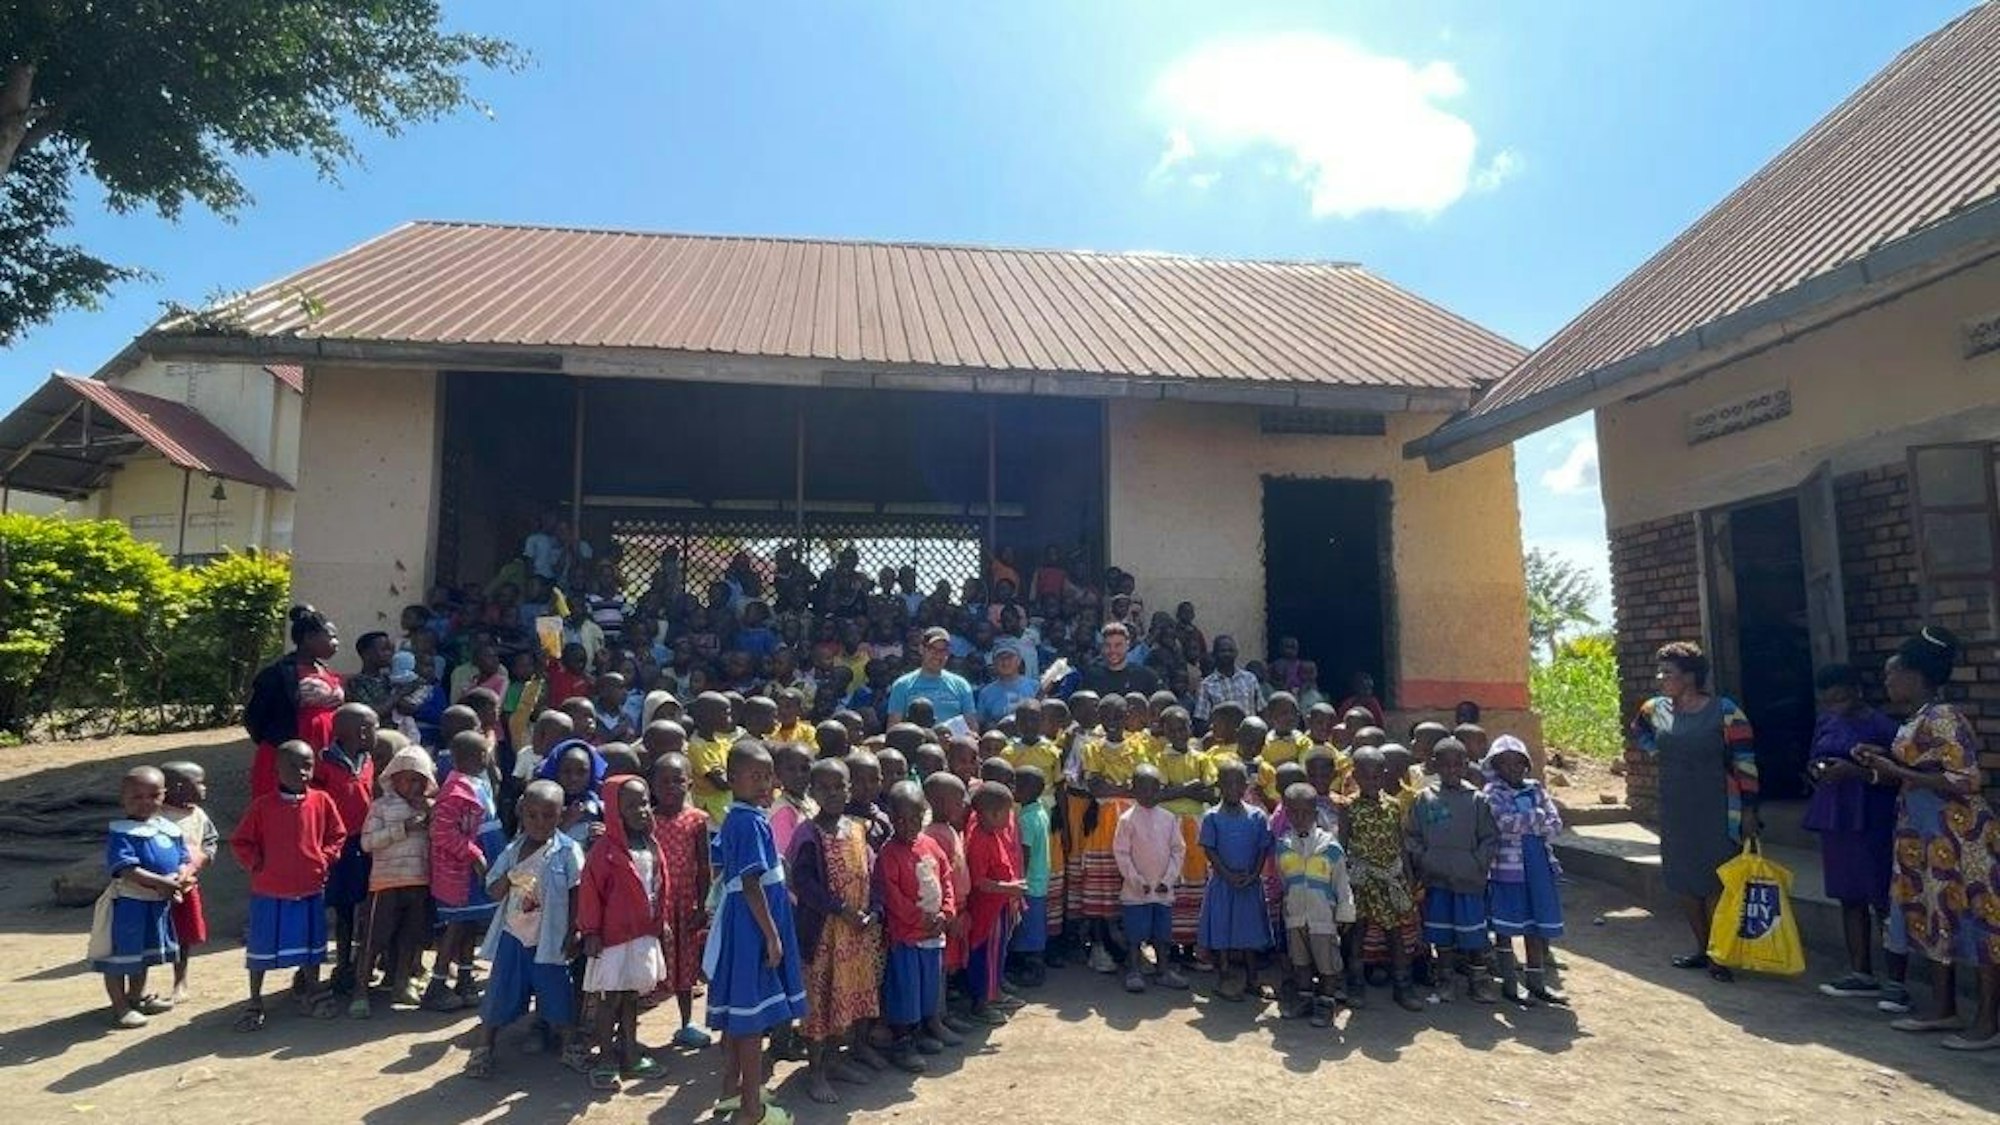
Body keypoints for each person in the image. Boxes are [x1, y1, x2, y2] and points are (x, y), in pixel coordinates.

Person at [1852, 627, 2000, 1050]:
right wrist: (1879, 761)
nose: (1887, 682)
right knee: (1938, 917)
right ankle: (1943, 1007)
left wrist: (1897, 770)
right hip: (1926, 834)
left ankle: (1988, 1022)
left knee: (1980, 921)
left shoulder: (1945, 717)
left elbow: (1965, 779)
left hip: (1960, 836)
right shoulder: (1918, 718)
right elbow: (1920, 771)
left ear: (1915, 675)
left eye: (1892, 674)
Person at [1626, 641, 1758, 982]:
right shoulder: (1655, 710)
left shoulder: (1726, 711)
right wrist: (1656, 751)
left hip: (1716, 805)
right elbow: (1638, 732)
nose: (1660, 678)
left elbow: (1745, 762)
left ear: (1689, 677)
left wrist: (1749, 810)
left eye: (1667, 673)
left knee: (1715, 880)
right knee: (1683, 880)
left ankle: (1718, 954)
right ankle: (1702, 948)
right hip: (1675, 806)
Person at [703, 742, 808, 1123]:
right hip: (753, 927)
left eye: (768, 776)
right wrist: (772, 935)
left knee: (739, 1014)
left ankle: (732, 1090)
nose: (765, 784)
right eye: (755, 776)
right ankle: (751, 1109)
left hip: (749, 922)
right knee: (750, 1020)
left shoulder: (745, 816)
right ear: (732, 779)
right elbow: (750, 884)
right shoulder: (746, 821)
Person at [466, 779, 589, 1078]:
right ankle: (483, 1050)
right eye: (532, 815)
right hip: (514, 936)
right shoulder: (512, 851)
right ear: (522, 813)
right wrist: (510, 876)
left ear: (561, 817)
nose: (539, 822)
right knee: (498, 992)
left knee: (558, 993)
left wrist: (574, 930)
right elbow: (494, 891)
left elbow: (577, 892)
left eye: (549, 816)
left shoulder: (568, 851)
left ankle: (570, 1048)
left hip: (549, 939)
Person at [1802, 663, 1903, 1000]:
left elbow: (1896, 775)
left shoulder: (1882, 726)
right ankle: (1860, 971)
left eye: (1843, 699)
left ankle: (1896, 980)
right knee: (1848, 895)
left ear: (1857, 691)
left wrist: (1855, 771)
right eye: (1830, 702)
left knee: (1882, 898)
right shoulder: (1826, 722)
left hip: (1871, 817)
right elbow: (1813, 757)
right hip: (1836, 817)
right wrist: (1818, 770)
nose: (1837, 707)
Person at [787, 758, 885, 1105]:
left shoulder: (857, 828)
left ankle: (838, 1060)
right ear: (812, 792)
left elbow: (873, 874)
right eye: (823, 787)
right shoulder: (808, 834)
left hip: (856, 933)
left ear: (849, 788)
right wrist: (839, 909)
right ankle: (815, 1072)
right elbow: (803, 883)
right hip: (825, 935)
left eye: (838, 786)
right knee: (821, 1003)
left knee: (848, 998)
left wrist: (874, 910)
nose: (832, 793)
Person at [230, 739, 347, 1031]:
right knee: (262, 947)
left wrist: (324, 858)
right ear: (277, 769)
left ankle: (311, 992)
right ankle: (255, 1000)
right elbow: (241, 842)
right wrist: (257, 864)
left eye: (307, 765)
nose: (301, 772)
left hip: (310, 887)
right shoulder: (262, 807)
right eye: (292, 766)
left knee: (311, 946)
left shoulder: (321, 801)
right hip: (270, 890)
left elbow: (337, 835)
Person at [579, 775, 669, 1090]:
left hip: (642, 935)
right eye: (631, 805)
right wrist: (590, 931)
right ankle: (606, 1058)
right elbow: (590, 893)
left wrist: (662, 923)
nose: (641, 810)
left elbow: (658, 887)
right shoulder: (603, 851)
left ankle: (630, 1053)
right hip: (612, 939)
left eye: (644, 802)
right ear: (614, 811)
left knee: (631, 997)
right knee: (609, 999)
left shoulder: (650, 843)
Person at [90, 767, 190, 1028]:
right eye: (137, 797)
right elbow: (126, 869)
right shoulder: (121, 833)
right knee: (120, 956)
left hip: (156, 904)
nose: (145, 802)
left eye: (153, 795)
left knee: (142, 955)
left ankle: (136, 996)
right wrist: (161, 882)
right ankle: (120, 1006)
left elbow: (182, 859)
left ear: (163, 795)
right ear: (122, 798)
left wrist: (182, 877)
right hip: (129, 905)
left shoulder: (167, 829)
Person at [874, 780, 958, 1074]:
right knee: (905, 990)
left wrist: (946, 911)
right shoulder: (889, 853)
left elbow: (946, 878)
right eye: (899, 819)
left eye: (914, 818)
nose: (907, 825)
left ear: (924, 813)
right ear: (891, 817)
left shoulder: (930, 845)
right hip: (907, 937)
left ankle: (923, 1031)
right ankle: (903, 1041)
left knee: (927, 986)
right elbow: (894, 898)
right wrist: (922, 919)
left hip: (934, 934)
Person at [1409, 736, 1498, 1003]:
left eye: (1457, 765)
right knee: (1442, 933)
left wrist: (1477, 864)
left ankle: (1479, 981)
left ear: (1466, 765)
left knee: (1474, 934)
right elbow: (1412, 835)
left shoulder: (1477, 800)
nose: (1451, 771)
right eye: (1445, 765)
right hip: (1437, 880)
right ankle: (1446, 979)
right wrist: (1425, 859)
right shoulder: (1424, 799)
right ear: (1434, 765)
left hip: (1468, 880)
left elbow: (1489, 838)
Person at [1482, 736, 1567, 1006]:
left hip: (1538, 867)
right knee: (1506, 925)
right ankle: (1510, 983)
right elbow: (1503, 823)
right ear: (1495, 766)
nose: (1512, 769)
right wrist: (1536, 818)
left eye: (1518, 762)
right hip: (1507, 869)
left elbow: (1555, 824)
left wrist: (1531, 821)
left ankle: (1537, 982)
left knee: (1535, 925)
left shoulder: (1536, 789)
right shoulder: (1492, 793)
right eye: (1504, 763)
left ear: (1526, 765)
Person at [352, 745, 435, 1018]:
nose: (415, 786)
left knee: (409, 938)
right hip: (385, 884)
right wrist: (403, 829)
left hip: (419, 883)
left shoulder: (430, 808)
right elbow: (367, 843)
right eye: (409, 779)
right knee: (375, 939)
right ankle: (361, 992)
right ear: (394, 778)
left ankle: (401, 985)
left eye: (421, 780)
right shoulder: (381, 807)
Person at [428, 731, 507, 1012]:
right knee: (458, 923)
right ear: (472, 757)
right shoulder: (455, 790)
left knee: (471, 922)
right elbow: (441, 832)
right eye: (483, 754)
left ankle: (464, 979)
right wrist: (474, 854)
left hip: (481, 864)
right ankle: (436, 984)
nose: (487, 758)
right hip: (462, 871)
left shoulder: (477, 782)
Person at [1346, 746, 1422, 1011]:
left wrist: (1408, 875)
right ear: (1354, 776)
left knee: (1395, 934)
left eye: (1377, 777)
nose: (1371, 782)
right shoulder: (1349, 808)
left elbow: (1399, 843)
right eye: (1365, 777)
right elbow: (1344, 845)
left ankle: (1404, 985)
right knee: (1357, 932)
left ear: (1384, 775)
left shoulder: (1392, 806)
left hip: (1390, 878)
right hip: (1361, 880)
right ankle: (1355, 984)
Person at [648, 752, 716, 1049]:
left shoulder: (697, 820)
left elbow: (704, 865)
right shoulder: (646, 820)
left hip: (686, 903)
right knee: (650, 965)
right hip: (656, 906)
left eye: (678, 780)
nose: (672, 787)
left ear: (689, 782)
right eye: (664, 781)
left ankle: (687, 1022)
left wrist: (703, 905)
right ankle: (628, 1031)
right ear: (652, 785)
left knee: (686, 965)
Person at [244, 605, 346, 799]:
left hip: (323, 755)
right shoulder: (277, 674)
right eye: (331, 636)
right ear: (308, 637)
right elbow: (255, 717)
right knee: (281, 811)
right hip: (288, 756)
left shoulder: (324, 669)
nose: (336, 643)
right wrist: (279, 745)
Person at [1275, 781, 1355, 1027]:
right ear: (1286, 813)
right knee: (1300, 961)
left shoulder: (1329, 847)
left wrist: (1344, 913)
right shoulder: (1283, 846)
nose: (1300, 818)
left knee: (1326, 963)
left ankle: (1327, 1003)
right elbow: (1283, 881)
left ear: (1315, 813)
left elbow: (1342, 883)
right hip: (1296, 915)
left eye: (1306, 813)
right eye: (1294, 813)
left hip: (1323, 916)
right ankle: (1305, 998)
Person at [1076, 694, 1146, 972]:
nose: (1114, 722)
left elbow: (1141, 786)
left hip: (1133, 823)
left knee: (1130, 884)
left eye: (1119, 716)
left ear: (1128, 714)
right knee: (1100, 886)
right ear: (1100, 720)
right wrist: (1126, 789)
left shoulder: (1138, 746)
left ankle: (1132, 949)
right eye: (1107, 717)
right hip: (1103, 824)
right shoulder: (1092, 748)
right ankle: (1100, 947)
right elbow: (1096, 788)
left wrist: (1114, 788)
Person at [316, 703, 378, 996]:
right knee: (342, 909)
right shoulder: (323, 763)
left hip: (364, 843)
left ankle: (360, 962)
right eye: (374, 727)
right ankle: (340, 965)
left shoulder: (367, 760)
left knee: (364, 903)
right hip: (336, 845)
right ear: (360, 731)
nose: (376, 733)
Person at [1198, 759, 1272, 1002]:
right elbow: (1210, 849)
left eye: (1238, 783)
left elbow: (1263, 848)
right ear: (1219, 785)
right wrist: (1227, 874)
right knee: (1222, 930)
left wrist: (1254, 874)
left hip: (1249, 884)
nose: (1233, 788)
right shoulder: (1211, 817)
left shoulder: (1257, 816)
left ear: (1246, 785)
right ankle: (1225, 976)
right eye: (1227, 783)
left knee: (1248, 932)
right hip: (1222, 884)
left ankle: (1252, 979)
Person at [1113, 765, 1187, 995]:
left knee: (1162, 934)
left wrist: (1169, 878)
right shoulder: (1127, 820)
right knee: (1135, 934)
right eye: (1143, 789)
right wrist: (1136, 880)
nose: (1149, 794)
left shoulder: (1168, 818)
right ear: (1133, 790)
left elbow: (1178, 849)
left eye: (1154, 789)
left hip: (1163, 890)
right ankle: (1134, 970)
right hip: (1137, 891)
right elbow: (1122, 853)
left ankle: (1163, 970)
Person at [962, 782, 1028, 1023]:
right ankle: (981, 1004)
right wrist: (1009, 888)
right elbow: (979, 881)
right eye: (1007, 813)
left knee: (997, 954)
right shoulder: (979, 838)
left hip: (998, 907)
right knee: (984, 956)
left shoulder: (992, 833)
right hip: (985, 912)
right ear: (993, 813)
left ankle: (995, 993)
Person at [1154, 706, 1215, 959]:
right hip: (1170, 826)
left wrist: (1176, 789)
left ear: (1191, 728)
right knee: (1173, 882)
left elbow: (1211, 792)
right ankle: (1171, 946)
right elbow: (1159, 793)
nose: (1179, 733)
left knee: (1196, 883)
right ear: (1164, 731)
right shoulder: (1161, 759)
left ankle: (1191, 944)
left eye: (1183, 728)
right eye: (1173, 729)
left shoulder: (1202, 758)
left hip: (1197, 825)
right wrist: (1189, 788)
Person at [159, 761, 216, 1005]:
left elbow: (210, 843)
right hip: (154, 888)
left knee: (183, 935)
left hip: (186, 886)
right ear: (179, 787)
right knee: (150, 936)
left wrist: (198, 863)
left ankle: (180, 980)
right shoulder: (155, 815)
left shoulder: (198, 816)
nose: (204, 788)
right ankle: (136, 989)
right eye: (199, 783)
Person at [1008, 766, 1054, 986]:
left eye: (1018, 784)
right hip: (1040, 880)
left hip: (1030, 883)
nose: (1013, 788)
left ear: (1031, 789)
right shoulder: (1040, 811)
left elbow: (1024, 853)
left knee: (1028, 928)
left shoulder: (1026, 819)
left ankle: (1033, 970)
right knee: (1035, 925)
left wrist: (1017, 881)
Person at [887, 627, 979, 733]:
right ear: (921, 649)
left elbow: (972, 726)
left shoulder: (961, 685)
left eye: (943, 650)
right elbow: (893, 728)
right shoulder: (902, 685)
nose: (937, 655)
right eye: (932, 649)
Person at [688, 692, 746, 825]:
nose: (730, 718)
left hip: (724, 804)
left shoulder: (722, 742)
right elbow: (721, 783)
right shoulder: (698, 747)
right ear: (708, 717)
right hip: (711, 811)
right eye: (726, 713)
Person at [1077, 622, 1160, 697]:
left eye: (1118, 645)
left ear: (1128, 646)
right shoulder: (1091, 677)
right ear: (1102, 647)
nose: (1112, 650)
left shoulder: (1146, 676)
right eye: (1108, 645)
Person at [1193, 636, 1260, 730]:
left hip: (1250, 736)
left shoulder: (1250, 679)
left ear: (1236, 653)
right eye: (1223, 651)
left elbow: (1261, 710)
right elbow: (1201, 719)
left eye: (1230, 650)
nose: (1227, 654)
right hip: (1223, 740)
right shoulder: (1206, 685)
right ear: (1214, 654)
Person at [768, 741, 815, 855]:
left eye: (805, 769)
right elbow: (785, 857)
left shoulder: (812, 802)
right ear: (778, 774)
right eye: (791, 769)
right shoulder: (783, 811)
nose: (798, 775)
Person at [974, 646, 1035, 728]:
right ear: (994, 663)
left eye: (1010, 658)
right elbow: (981, 721)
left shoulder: (1034, 686)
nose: (1005, 662)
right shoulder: (986, 692)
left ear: (1019, 661)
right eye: (1001, 658)